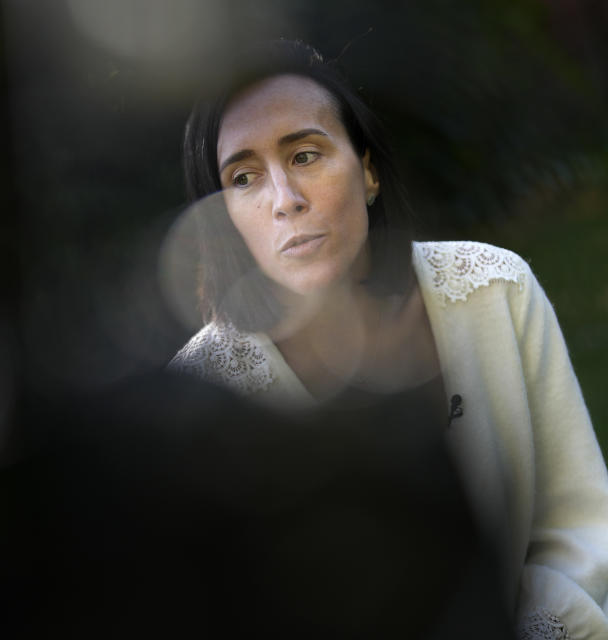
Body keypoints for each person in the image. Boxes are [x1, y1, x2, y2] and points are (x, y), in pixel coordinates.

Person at [168, 39, 608, 639]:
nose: (285, 200)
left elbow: (580, 523)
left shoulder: (494, 291)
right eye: (243, 178)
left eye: (305, 155)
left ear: (369, 170)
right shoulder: (197, 391)